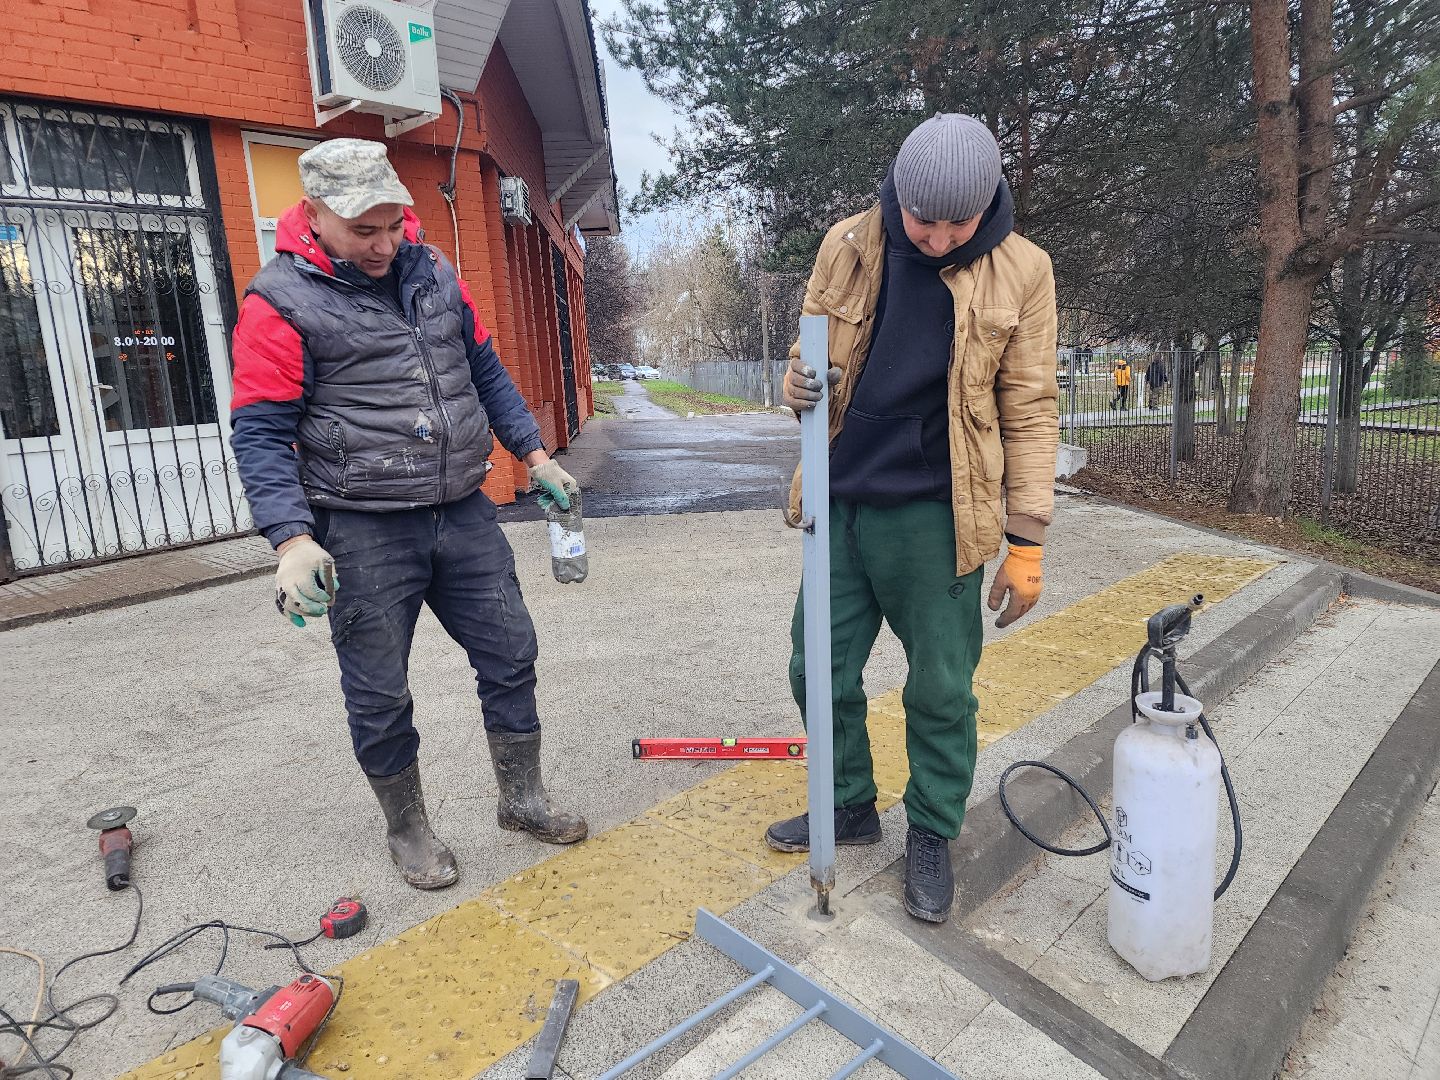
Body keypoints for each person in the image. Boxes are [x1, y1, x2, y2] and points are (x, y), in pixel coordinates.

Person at [229, 139, 588, 890]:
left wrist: (535, 453)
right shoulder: (278, 302)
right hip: (360, 527)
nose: (386, 244)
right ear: (315, 214)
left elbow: (485, 370)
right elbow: (260, 431)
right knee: (379, 689)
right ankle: (409, 830)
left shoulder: (434, 273)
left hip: (461, 510)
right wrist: (290, 540)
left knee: (511, 653)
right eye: (365, 230)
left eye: (394, 225)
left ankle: (520, 799)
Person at [771, 114, 1058, 923]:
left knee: (939, 689)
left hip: (939, 516)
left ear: (989, 203)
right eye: (920, 220)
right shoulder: (850, 244)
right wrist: (794, 381)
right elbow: (809, 351)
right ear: (897, 195)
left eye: (955, 224)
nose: (933, 239)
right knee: (815, 670)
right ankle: (850, 805)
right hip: (841, 500)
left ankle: (931, 830)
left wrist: (1027, 541)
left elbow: (1031, 408)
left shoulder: (1023, 271)